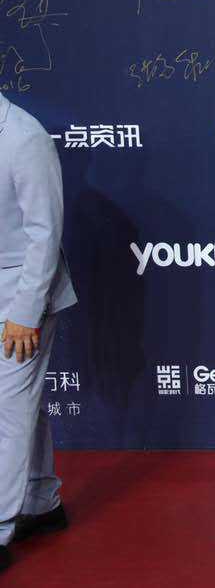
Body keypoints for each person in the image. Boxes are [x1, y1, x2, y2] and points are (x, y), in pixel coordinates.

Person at [0, 92, 77, 574]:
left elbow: (44, 233)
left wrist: (26, 312)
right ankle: (42, 500)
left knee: (6, 409)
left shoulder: (24, 137)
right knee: (20, 403)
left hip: (21, 299)